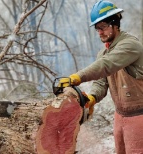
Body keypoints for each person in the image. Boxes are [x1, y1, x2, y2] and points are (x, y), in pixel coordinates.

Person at [60, 0, 143, 154]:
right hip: (120, 116)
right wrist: (92, 97)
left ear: (115, 24)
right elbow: (101, 81)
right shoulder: (104, 53)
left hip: (139, 117)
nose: (100, 33)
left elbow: (106, 65)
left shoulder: (130, 45)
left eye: (103, 27)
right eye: (97, 29)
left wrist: (76, 77)